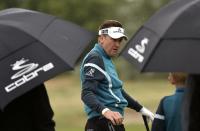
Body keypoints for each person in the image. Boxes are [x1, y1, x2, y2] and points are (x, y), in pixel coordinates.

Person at [80, 20, 154, 131]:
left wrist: (141, 109)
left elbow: (117, 91)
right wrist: (106, 111)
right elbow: (86, 93)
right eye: (114, 40)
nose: (117, 44)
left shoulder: (106, 58)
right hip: (101, 123)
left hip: (112, 121)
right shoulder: (95, 57)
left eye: (120, 40)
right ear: (101, 39)